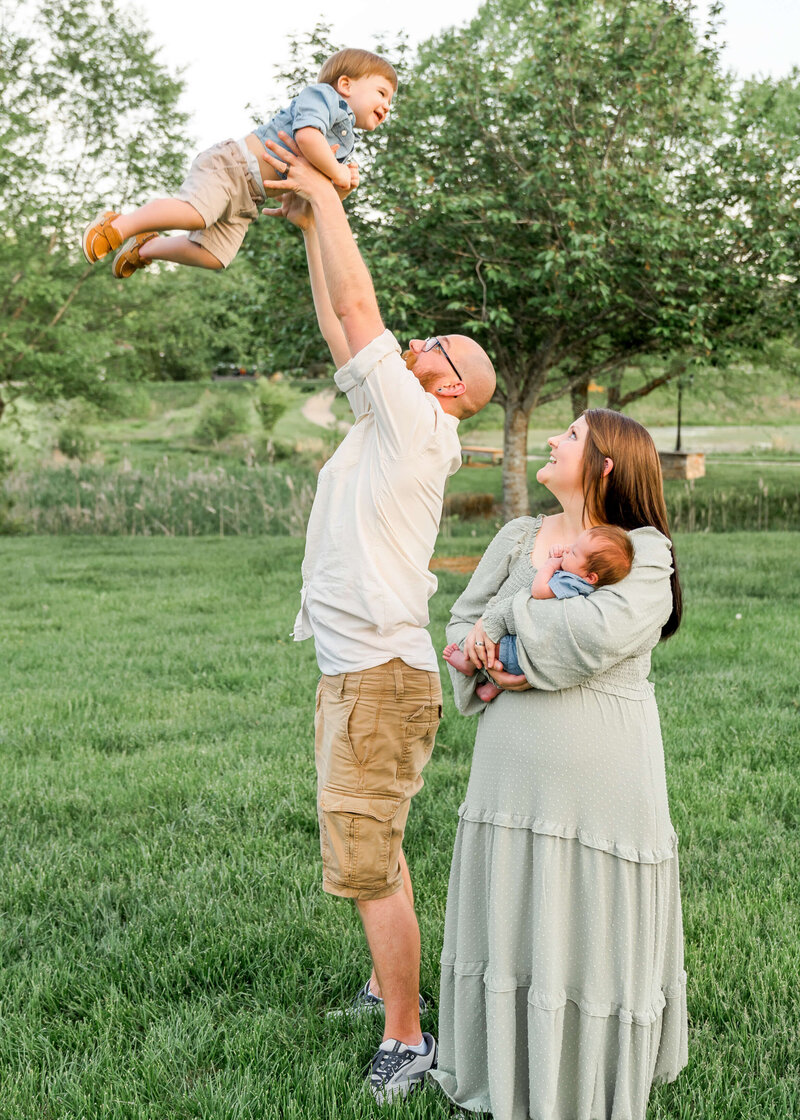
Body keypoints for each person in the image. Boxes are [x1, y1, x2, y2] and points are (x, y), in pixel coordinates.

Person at [260, 134, 496, 1104]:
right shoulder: (388, 415)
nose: (416, 337)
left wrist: (326, 188)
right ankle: (379, 985)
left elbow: (358, 310)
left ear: (443, 382)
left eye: (434, 343)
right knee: (377, 842)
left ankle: (407, 1037)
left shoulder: (415, 419)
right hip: (358, 671)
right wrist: (314, 223)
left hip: (377, 677)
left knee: (368, 863)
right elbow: (335, 314)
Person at [429, 409, 688, 1120]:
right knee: (514, 914)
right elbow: (462, 617)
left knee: (588, 920)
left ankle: (586, 1079)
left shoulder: (645, 552)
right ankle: (502, 1070)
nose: (551, 439)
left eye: (570, 436)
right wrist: (480, 648)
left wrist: (512, 620)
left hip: (603, 780)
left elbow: (596, 633)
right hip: (510, 775)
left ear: (605, 464)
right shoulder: (518, 536)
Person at [80, 48, 395, 278]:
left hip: (249, 197)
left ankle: (145, 248)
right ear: (345, 84)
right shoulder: (323, 97)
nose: (386, 106)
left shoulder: (345, 140)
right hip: (232, 168)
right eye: (381, 92)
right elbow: (308, 139)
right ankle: (118, 225)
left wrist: (342, 183)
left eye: (390, 102)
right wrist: (337, 170)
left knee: (214, 256)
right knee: (194, 215)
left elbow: (313, 183)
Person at [442, 524, 634, 702]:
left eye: (574, 552)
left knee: (497, 645)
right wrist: (566, 557)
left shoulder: (571, 583)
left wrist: (550, 564)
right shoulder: (581, 580)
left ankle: (470, 664)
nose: (568, 550)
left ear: (591, 577)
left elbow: (539, 591)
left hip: (525, 648)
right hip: (538, 655)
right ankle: (493, 688)